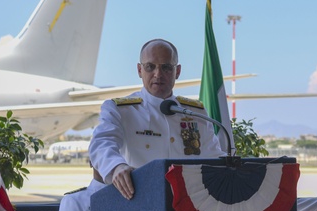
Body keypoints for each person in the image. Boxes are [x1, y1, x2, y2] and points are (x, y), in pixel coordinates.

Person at [89, 38, 226, 201]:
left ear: (178, 71)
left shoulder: (195, 112)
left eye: (166, 67)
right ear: (139, 70)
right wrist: (117, 167)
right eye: (150, 67)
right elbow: (101, 144)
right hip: (141, 202)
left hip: (190, 205)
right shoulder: (120, 110)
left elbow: (213, 157)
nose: (158, 74)